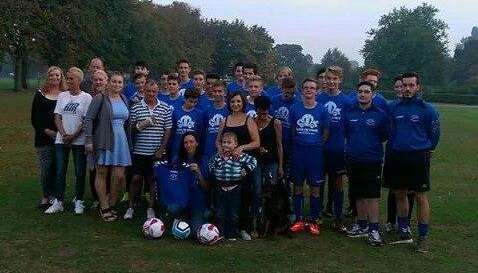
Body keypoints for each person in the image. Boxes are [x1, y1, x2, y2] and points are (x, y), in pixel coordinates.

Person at [388, 72, 440, 253]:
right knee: (400, 193)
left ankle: (423, 236)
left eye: (411, 85)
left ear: (418, 87)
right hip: (398, 156)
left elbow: (434, 134)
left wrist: (427, 148)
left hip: (418, 157)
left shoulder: (427, 109)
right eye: (405, 85)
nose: (407, 89)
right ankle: (403, 229)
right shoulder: (394, 108)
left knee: (420, 196)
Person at [344, 81, 389, 246]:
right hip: (353, 159)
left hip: (372, 160)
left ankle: (374, 229)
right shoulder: (349, 113)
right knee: (358, 193)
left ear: (373, 94)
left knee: (372, 196)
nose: (363, 94)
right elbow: (347, 133)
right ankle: (362, 226)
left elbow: (384, 136)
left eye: (366, 91)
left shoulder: (380, 115)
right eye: (360, 92)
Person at [85, 72, 131, 222]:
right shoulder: (100, 98)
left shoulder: (124, 99)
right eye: (114, 81)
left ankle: (111, 204)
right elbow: (89, 119)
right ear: (108, 82)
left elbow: (127, 122)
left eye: (120, 82)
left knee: (119, 176)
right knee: (102, 173)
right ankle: (104, 207)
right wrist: (89, 140)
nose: (117, 84)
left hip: (121, 141)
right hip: (103, 140)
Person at [45, 67, 92, 214]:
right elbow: (57, 117)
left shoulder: (86, 98)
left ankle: (79, 201)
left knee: (79, 172)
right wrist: (64, 134)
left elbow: (85, 120)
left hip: (79, 141)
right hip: (61, 140)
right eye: (68, 78)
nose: (68, 80)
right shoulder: (63, 96)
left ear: (79, 80)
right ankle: (59, 201)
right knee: (60, 171)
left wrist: (74, 136)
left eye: (71, 78)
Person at [124, 80, 172, 220]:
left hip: (155, 152)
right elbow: (131, 129)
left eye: (154, 91)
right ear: (144, 91)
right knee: (136, 179)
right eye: (148, 91)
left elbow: (168, 130)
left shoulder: (165, 107)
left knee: (152, 180)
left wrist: (161, 149)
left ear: (157, 92)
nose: (151, 94)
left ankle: (150, 207)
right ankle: (131, 206)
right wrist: (143, 124)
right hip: (139, 151)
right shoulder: (136, 108)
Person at [216, 92, 260, 240]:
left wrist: (242, 147)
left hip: (243, 164)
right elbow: (217, 140)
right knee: (227, 199)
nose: (235, 104)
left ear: (243, 103)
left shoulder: (249, 120)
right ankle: (226, 229)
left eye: (239, 101)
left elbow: (256, 142)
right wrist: (221, 149)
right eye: (233, 101)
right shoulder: (225, 120)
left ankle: (244, 228)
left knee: (245, 196)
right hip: (227, 165)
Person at [289, 79, 329, 235]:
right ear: (301, 90)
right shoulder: (294, 108)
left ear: (317, 91)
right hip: (299, 152)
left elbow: (326, 131)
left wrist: (318, 144)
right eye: (306, 87)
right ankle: (298, 218)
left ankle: (313, 219)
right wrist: (298, 142)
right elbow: (293, 129)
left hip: (315, 153)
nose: (309, 90)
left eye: (312, 88)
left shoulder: (322, 110)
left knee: (315, 188)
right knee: (297, 186)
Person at [316, 66, 352, 231]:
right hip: (319, 149)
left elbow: (350, 127)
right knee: (318, 182)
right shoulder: (318, 98)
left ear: (340, 80)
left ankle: (338, 218)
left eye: (334, 79)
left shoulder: (347, 102)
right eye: (328, 78)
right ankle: (316, 215)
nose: (330, 81)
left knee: (337, 183)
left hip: (337, 149)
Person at [209, 131, 257, 240]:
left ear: (236, 144)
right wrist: (214, 170)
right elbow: (210, 164)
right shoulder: (218, 156)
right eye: (224, 142)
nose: (226, 145)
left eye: (229, 142)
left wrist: (246, 169)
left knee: (233, 213)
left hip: (235, 188)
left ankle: (232, 234)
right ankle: (220, 233)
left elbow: (253, 161)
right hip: (221, 187)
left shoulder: (239, 156)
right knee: (220, 212)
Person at [383, 75, 415, 232]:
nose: (400, 89)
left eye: (401, 86)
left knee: (410, 190)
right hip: (392, 151)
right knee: (393, 188)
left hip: (410, 154)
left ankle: (405, 223)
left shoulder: (416, 106)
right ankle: (390, 220)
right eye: (396, 86)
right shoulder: (391, 106)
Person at [31, 66, 66, 209]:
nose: (55, 78)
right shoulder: (40, 94)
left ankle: (55, 197)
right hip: (43, 138)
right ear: (48, 77)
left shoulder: (65, 95)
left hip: (61, 138)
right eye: (52, 75)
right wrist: (46, 131)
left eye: (58, 75)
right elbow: (34, 118)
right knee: (45, 169)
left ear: (61, 77)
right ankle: (45, 196)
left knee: (57, 169)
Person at [178, 132, 210, 235]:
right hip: (183, 201)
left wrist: (198, 172)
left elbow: (206, 187)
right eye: (185, 142)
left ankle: (208, 215)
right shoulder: (178, 160)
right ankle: (181, 217)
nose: (188, 145)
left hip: (198, 202)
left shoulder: (204, 160)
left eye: (191, 142)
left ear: (197, 143)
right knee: (172, 207)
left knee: (195, 232)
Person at [271, 78, 300, 184]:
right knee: (274, 174)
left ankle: (287, 196)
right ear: (281, 88)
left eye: (291, 93)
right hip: (275, 143)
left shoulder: (298, 102)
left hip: (290, 144)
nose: (288, 95)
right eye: (286, 92)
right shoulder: (274, 100)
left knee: (287, 176)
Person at [254, 96, 284, 186]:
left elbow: (279, 145)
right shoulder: (252, 122)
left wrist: (281, 166)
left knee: (271, 185)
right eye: (260, 114)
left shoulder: (276, 123)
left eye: (265, 113)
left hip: (271, 160)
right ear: (256, 110)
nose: (263, 116)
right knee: (257, 188)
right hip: (256, 160)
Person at [170, 88, 204, 161]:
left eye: (195, 102)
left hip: (192, 150)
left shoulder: (199, 114)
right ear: (184, 99)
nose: (192, 104)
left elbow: (199, 133)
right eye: (190, 101)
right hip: (177, 148)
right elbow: (172, 131)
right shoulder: (176, 111)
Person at [203, 81, 229, 162]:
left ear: (225, 93)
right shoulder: (207, 110)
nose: (217, 94)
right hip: (209, 148)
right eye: (215, 91)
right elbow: (204, 130)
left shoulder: (229, 110)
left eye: (220, 91)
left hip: (226, 148)